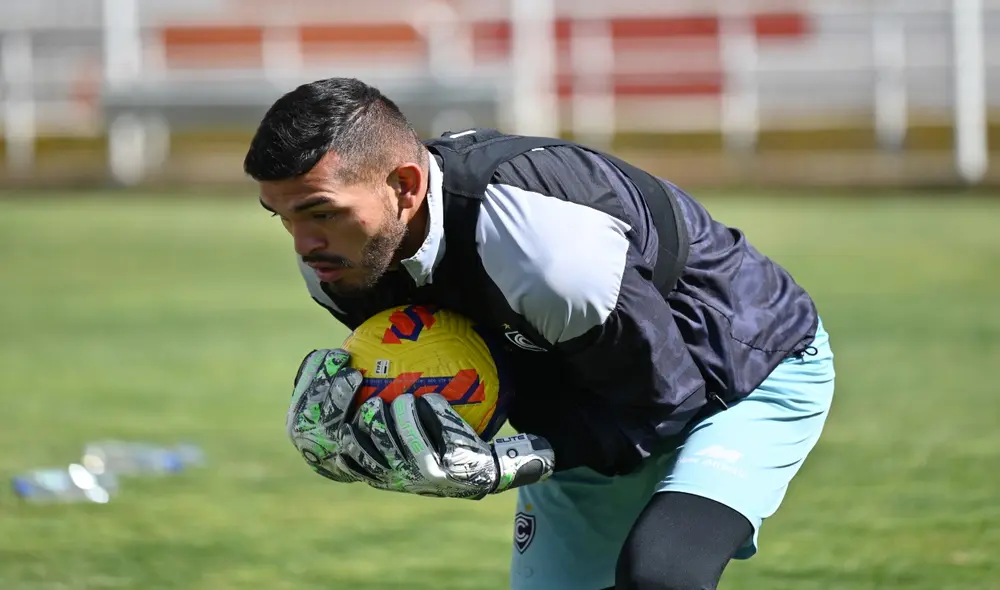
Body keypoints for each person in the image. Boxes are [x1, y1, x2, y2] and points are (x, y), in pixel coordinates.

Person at [245, 77, 836, 590]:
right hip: (596, 386)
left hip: (742, 368)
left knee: (662, 574)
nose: (303, 244)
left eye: (321, 212)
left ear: (405, 187)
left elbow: (661, 404)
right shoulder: (340, 266)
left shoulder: (543, 247)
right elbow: (496, 369)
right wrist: (375, 425)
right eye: (283, 216)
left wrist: (510, 462)